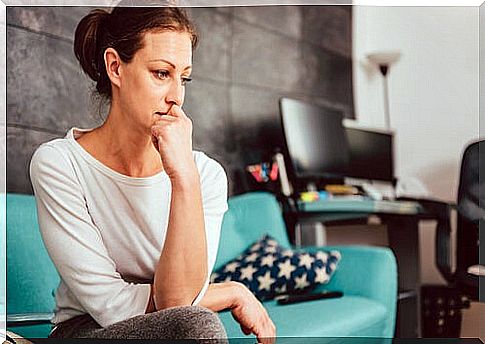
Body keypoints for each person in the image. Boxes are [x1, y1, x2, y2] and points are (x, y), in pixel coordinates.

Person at [29, 5, 276, 342]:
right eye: (162, 73)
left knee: (193, 322)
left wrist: (184, 178)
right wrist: (229, 292)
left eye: (184, 77)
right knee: (197, 324)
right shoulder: (59, 164)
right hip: (84, 330)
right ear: (115, 67)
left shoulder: (205, 175)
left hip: (174, 324)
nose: (176, 97)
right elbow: (112, 305)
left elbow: (179, 302)